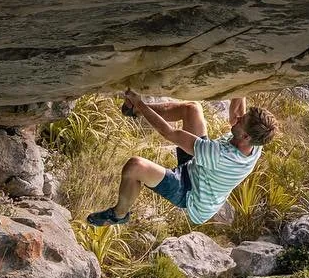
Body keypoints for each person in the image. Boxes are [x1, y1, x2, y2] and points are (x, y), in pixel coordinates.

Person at [86, 89, 277, 227]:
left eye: (241, 122)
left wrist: (142, 104)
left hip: (190, 192)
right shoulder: (255, 141)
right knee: (191, 109)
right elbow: (236, 112)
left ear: (245, 137)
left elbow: (169, 133)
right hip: (200, 168)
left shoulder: (220, 156)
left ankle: (119, 215)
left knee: (135, 166)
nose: (237, 119)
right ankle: (133, 111)